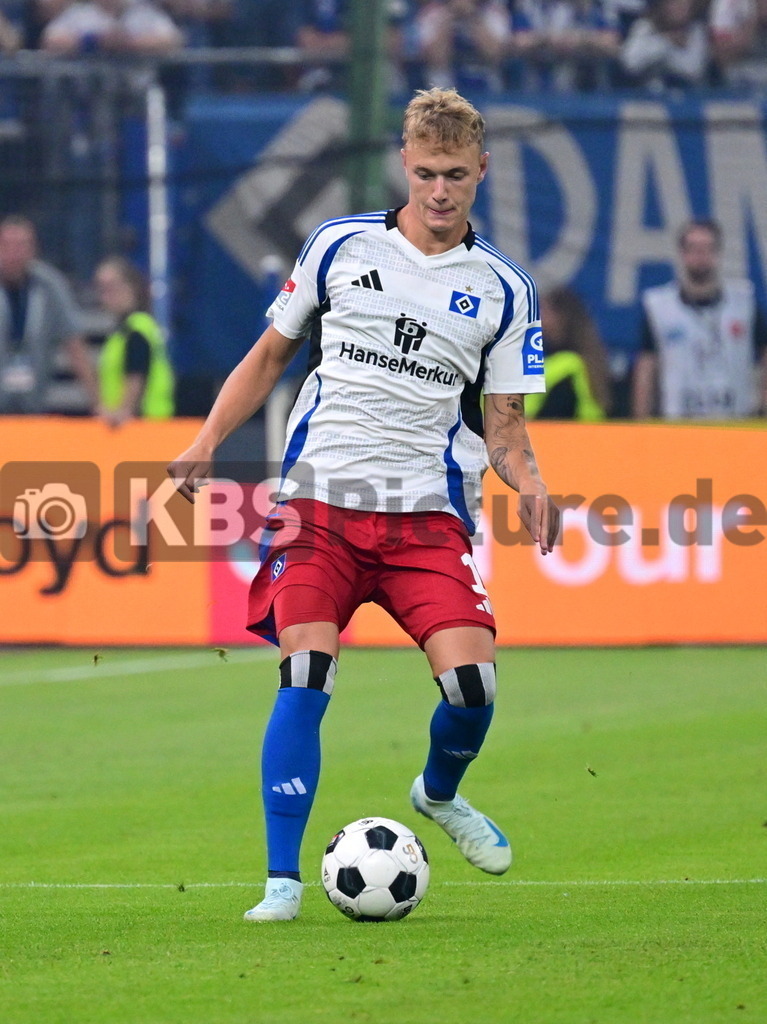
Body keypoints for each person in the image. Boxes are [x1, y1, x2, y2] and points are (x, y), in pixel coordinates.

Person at [168, 87, 560, 922]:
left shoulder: (502, 289)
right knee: (306, 668)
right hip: (322, 505)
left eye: (455, 174)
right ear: (404, 167)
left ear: (481, 171)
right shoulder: (338, 246)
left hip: (425, 515)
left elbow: (504, 426)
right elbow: (269, 354)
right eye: (424, 173)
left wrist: (528, 482)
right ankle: (281, 883)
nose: (439, 191)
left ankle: (439, 795)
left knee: (473, 688)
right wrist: (205, 440)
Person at [632, 218, 767, 419]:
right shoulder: (660, 308)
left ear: (718, 253)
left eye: (708, 248)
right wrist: (640, 420)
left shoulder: (743, 305)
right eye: (693, 248)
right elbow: (647, 365)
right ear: (682, 254)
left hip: (736, 420)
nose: (700, 256)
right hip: (679, 422)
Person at [0, 215, 98, 415]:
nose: (14, 253)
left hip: (34, 399)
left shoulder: (50, 285)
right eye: (7, 245)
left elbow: (74, 342)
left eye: (21, 245)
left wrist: (97, 402)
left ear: (33, 249)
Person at [94, 255, 175, 426]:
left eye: (112, 288)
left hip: (143, 425)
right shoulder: (128, 331)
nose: (106, 296)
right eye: (102, 289)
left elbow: (135, 377)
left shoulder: (136, 331)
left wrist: (122, 413)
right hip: (150, 423)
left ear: (132, 287)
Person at [526, 285, 610, 420]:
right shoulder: (588, 359)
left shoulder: (568, 365)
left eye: (543, 311)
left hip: (566, 437)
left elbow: (555, 412)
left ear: (561, 316)